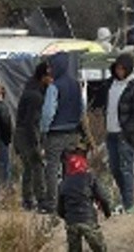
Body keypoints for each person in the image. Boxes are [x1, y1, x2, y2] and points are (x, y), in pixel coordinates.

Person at [102, 53, 134, 214]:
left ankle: (129, 205)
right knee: (115, 168)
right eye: (117, 68)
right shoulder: (112, 84)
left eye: (123, 69)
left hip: (125, 135)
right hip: (111, 132)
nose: (119, 71)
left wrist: (126, 130)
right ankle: (124, 199)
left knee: (126, 169)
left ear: (129, 69)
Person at [40, 52, 84, 214]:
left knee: (51, 168)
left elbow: (48, 112)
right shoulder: (76, 85)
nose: (50, 71)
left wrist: (44, 130)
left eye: (51, 67)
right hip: (73, 132)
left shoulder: (54, 86)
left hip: (56, 133)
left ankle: (52, 203)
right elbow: (82, 108)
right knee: (70, 168)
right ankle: (70, 202)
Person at [58, 148, 111, 252]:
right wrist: (107, 213)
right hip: (88, 220)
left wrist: (68, 217)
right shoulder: (89, 178)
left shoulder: (63, 183)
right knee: (100, 249)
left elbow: (59, 209)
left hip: (71, 223)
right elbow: (103, 198)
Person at [14, 61, 51, 211]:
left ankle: (28, 200)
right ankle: (40, 199)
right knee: (37, 166)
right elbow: (31, 122)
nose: (52, 80)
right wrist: (36, 143)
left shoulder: (30, 89)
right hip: (27, 134)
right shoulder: (36, 96)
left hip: (21, 133)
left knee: (29, 168)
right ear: (43, 77)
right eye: (49, 76)